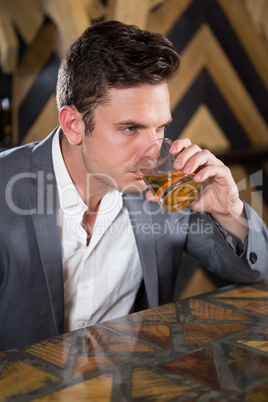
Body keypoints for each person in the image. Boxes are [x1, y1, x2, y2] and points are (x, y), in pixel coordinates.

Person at [0, 21, 267, 352]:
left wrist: (230, 211)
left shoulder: (170, 187)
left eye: (159, 128)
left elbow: (256, 272)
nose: (153, 150)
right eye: (130, 128)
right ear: (73, 125)